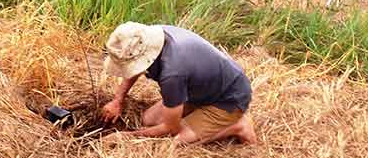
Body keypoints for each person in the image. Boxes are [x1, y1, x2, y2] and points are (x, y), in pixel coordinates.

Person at [100, 22, 257, 144]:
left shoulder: (173, 74)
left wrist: (127, 137)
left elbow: (170, 128)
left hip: (229, 99)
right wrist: (118, 100)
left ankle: (237, 126)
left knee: (176, 141)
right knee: (148, 120)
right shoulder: (152, 37)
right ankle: (198, 114)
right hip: (199, 89)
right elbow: (133, 65)